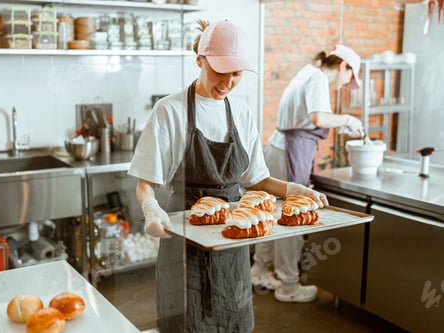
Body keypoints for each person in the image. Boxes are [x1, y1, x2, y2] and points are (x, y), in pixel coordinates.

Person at [128, 19, 329, 332]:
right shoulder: (170, 110)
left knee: (232, 315)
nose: (228, 82)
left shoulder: (242, 112)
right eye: (220, 72)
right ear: (200, 61)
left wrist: (294, 189)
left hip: (235, 230)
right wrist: (151, 209)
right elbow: (145, 184)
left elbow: (257, 179)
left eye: (236, 74)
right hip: (184, 230)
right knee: (185, 319)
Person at [250, 45, 364, 303]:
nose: (346, 85)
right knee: (292, 215)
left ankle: (259, 269)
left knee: (273, 211)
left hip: (278, 147)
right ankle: (289, 285)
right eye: (349, 78)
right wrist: (346, 119)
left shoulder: (306, 72)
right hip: (290, 151)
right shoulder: (319, 78)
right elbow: (318, 118)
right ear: (343, 66)